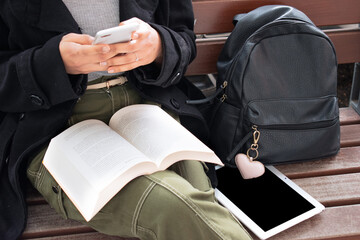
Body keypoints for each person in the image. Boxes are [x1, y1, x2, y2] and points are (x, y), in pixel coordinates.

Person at [0, 1, 252, 239]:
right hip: (55, 128)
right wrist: (53, 63)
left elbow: (183, 38)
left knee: (197, 196)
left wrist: (158, 46)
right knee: (174, 206)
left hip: (150, 108)